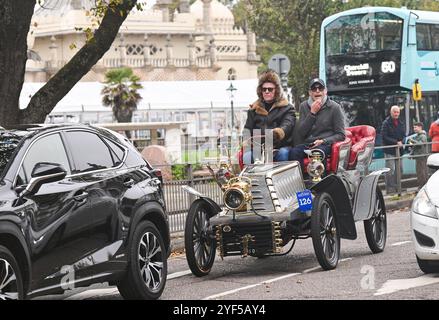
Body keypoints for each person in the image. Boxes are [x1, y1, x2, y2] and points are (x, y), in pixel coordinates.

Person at [289, 78, 345, 170]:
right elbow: (301, 132)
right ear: (310, 93)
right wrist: (312, 113)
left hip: (325, 145)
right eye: (314, 89)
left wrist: (323, 141)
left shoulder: (335, 107)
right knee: (294, 152)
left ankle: (320, 181)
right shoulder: (304, 106)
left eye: (320, 88)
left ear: (325, 91)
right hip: (308, 144)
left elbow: (341, 135)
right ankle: (301, 181)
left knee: (317, 153)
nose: (317, 91)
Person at [243, 70, 295, 164]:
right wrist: (247, 140)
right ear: (260, 91)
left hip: (280, 146)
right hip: (259, 147)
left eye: (270, 89)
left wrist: (278, 132)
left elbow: (288, 125)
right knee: (247, 156)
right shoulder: (253, 110)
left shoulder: (287, 108)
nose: (267, 91)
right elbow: (247, 129)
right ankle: (251, 179)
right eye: (264, 89)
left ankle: (280, 179)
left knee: (283, 154)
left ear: (276, 90)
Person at [381, 105, 405, 194]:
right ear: (391, 112)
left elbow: (403, 135)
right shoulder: (386, 123)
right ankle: (390, 189)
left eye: (397, 112)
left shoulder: (401, 122)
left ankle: (397, 187)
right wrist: (396, 142)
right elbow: (384, 136)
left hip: (399, 150)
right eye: (394, 112)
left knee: (400, 169)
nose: (396, 114)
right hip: (390, 150)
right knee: (390, 169)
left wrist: (401, 141)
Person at [407, 122, 428, 188]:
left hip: (421, 156)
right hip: (418, 156)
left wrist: (412, 141)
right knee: (419, 171)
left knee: (422, 171)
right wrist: (411, 154)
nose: (414, 129)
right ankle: (421, 185)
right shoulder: (417, 136)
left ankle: (423, 185)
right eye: (414, 127)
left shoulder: (423, 136)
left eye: (415, 127)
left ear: (420, 127)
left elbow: (420, 144)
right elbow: (414, 146)